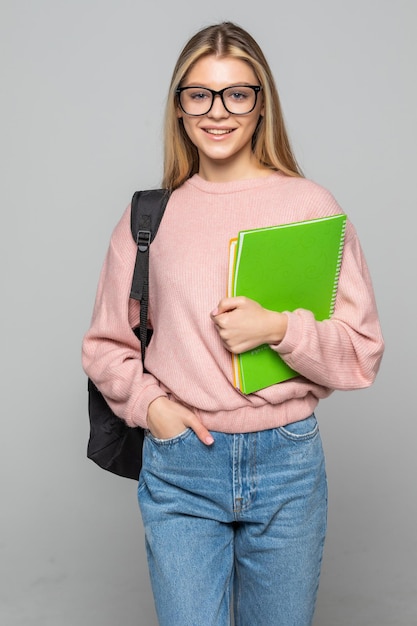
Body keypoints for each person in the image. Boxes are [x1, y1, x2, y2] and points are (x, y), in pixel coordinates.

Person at [82, 21, 384, 626]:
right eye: (200, 94)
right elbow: (106, 346)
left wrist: (280, 329)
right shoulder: (150, 217)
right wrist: (152, 408)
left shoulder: (311, 206)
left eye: (236, 93)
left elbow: (362, 351)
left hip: (288, 463)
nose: (217, 112)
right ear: (180, 108)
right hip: (183, 462)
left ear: (260, 104)